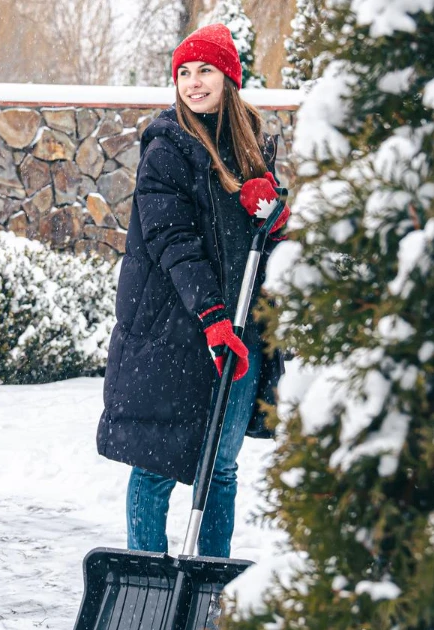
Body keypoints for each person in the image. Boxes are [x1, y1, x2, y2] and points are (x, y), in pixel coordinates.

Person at [95, 23, 290, 559]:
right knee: (156, 468)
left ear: (229, 77)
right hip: (176, 333)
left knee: (221, 468)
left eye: (205, 70)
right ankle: (147, 576)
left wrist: (273, 217)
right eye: (184, 72)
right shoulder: (167, 147)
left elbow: (260, 244)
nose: (193, 82)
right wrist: (211, 315)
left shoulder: (250, 146)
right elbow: (171, 239)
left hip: (239, 330)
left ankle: (207, 583)